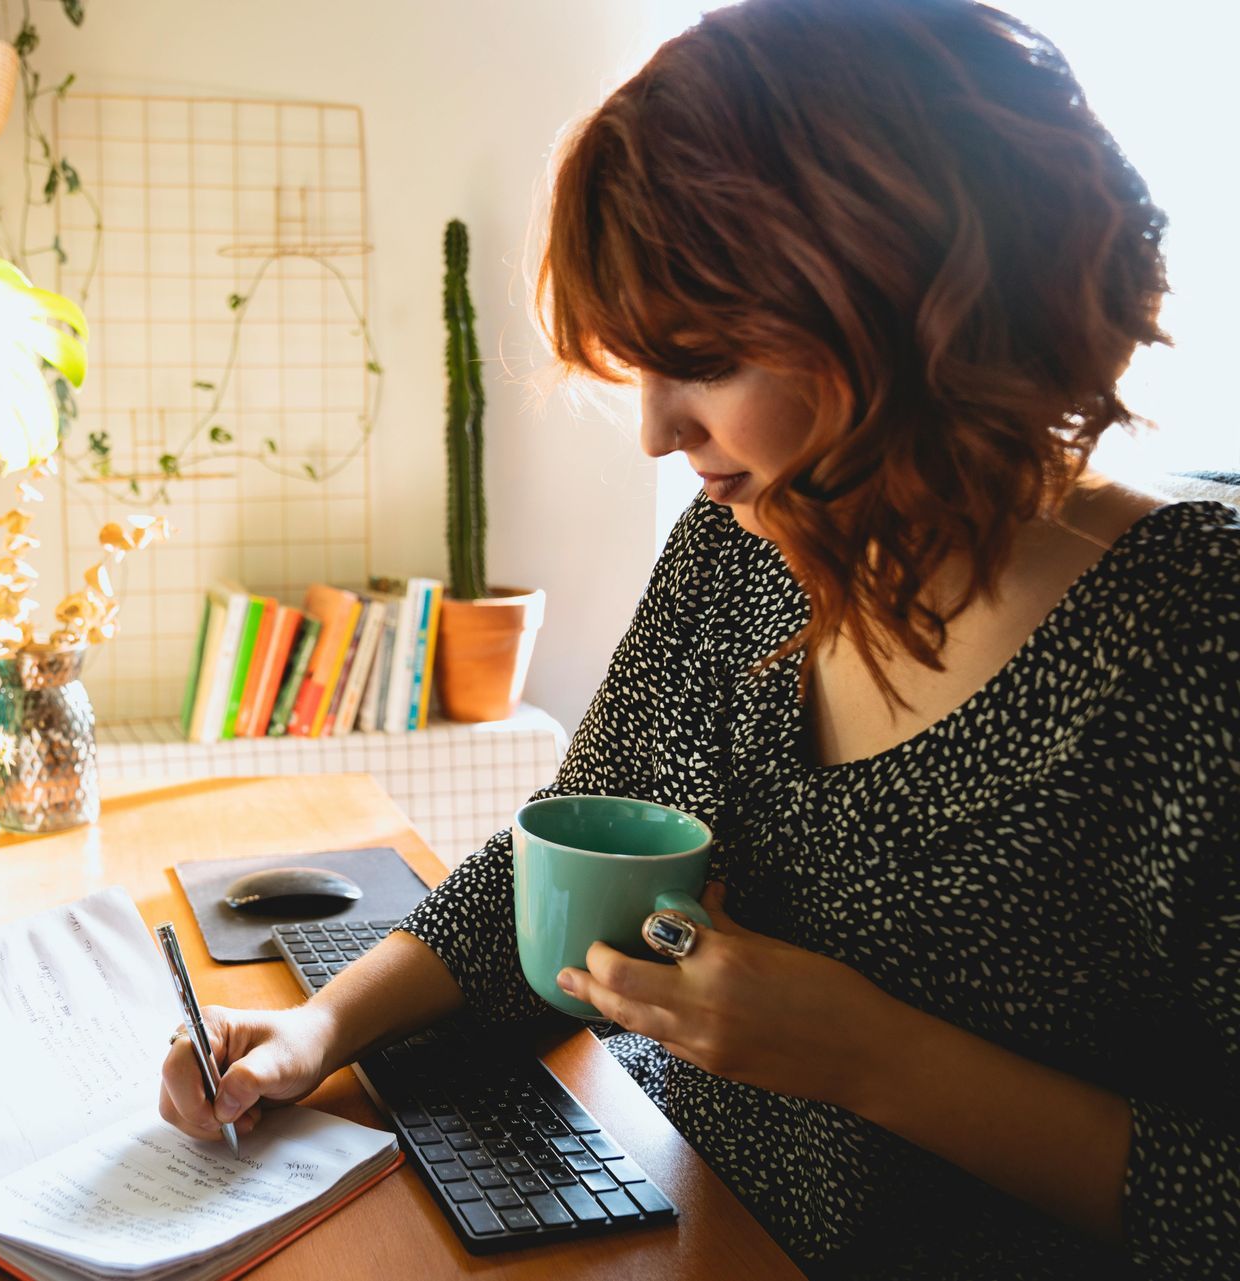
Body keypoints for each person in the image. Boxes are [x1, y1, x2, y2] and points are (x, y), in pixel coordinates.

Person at [156, 1, 1239, 1275]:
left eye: (705, 359)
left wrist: (874, 1058)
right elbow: (562, 858)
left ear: (912, 311)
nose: (655, 431)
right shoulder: (745, 544)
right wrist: (310, 1032)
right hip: (647, 1205)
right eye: (640, 366)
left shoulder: (1196, 649)